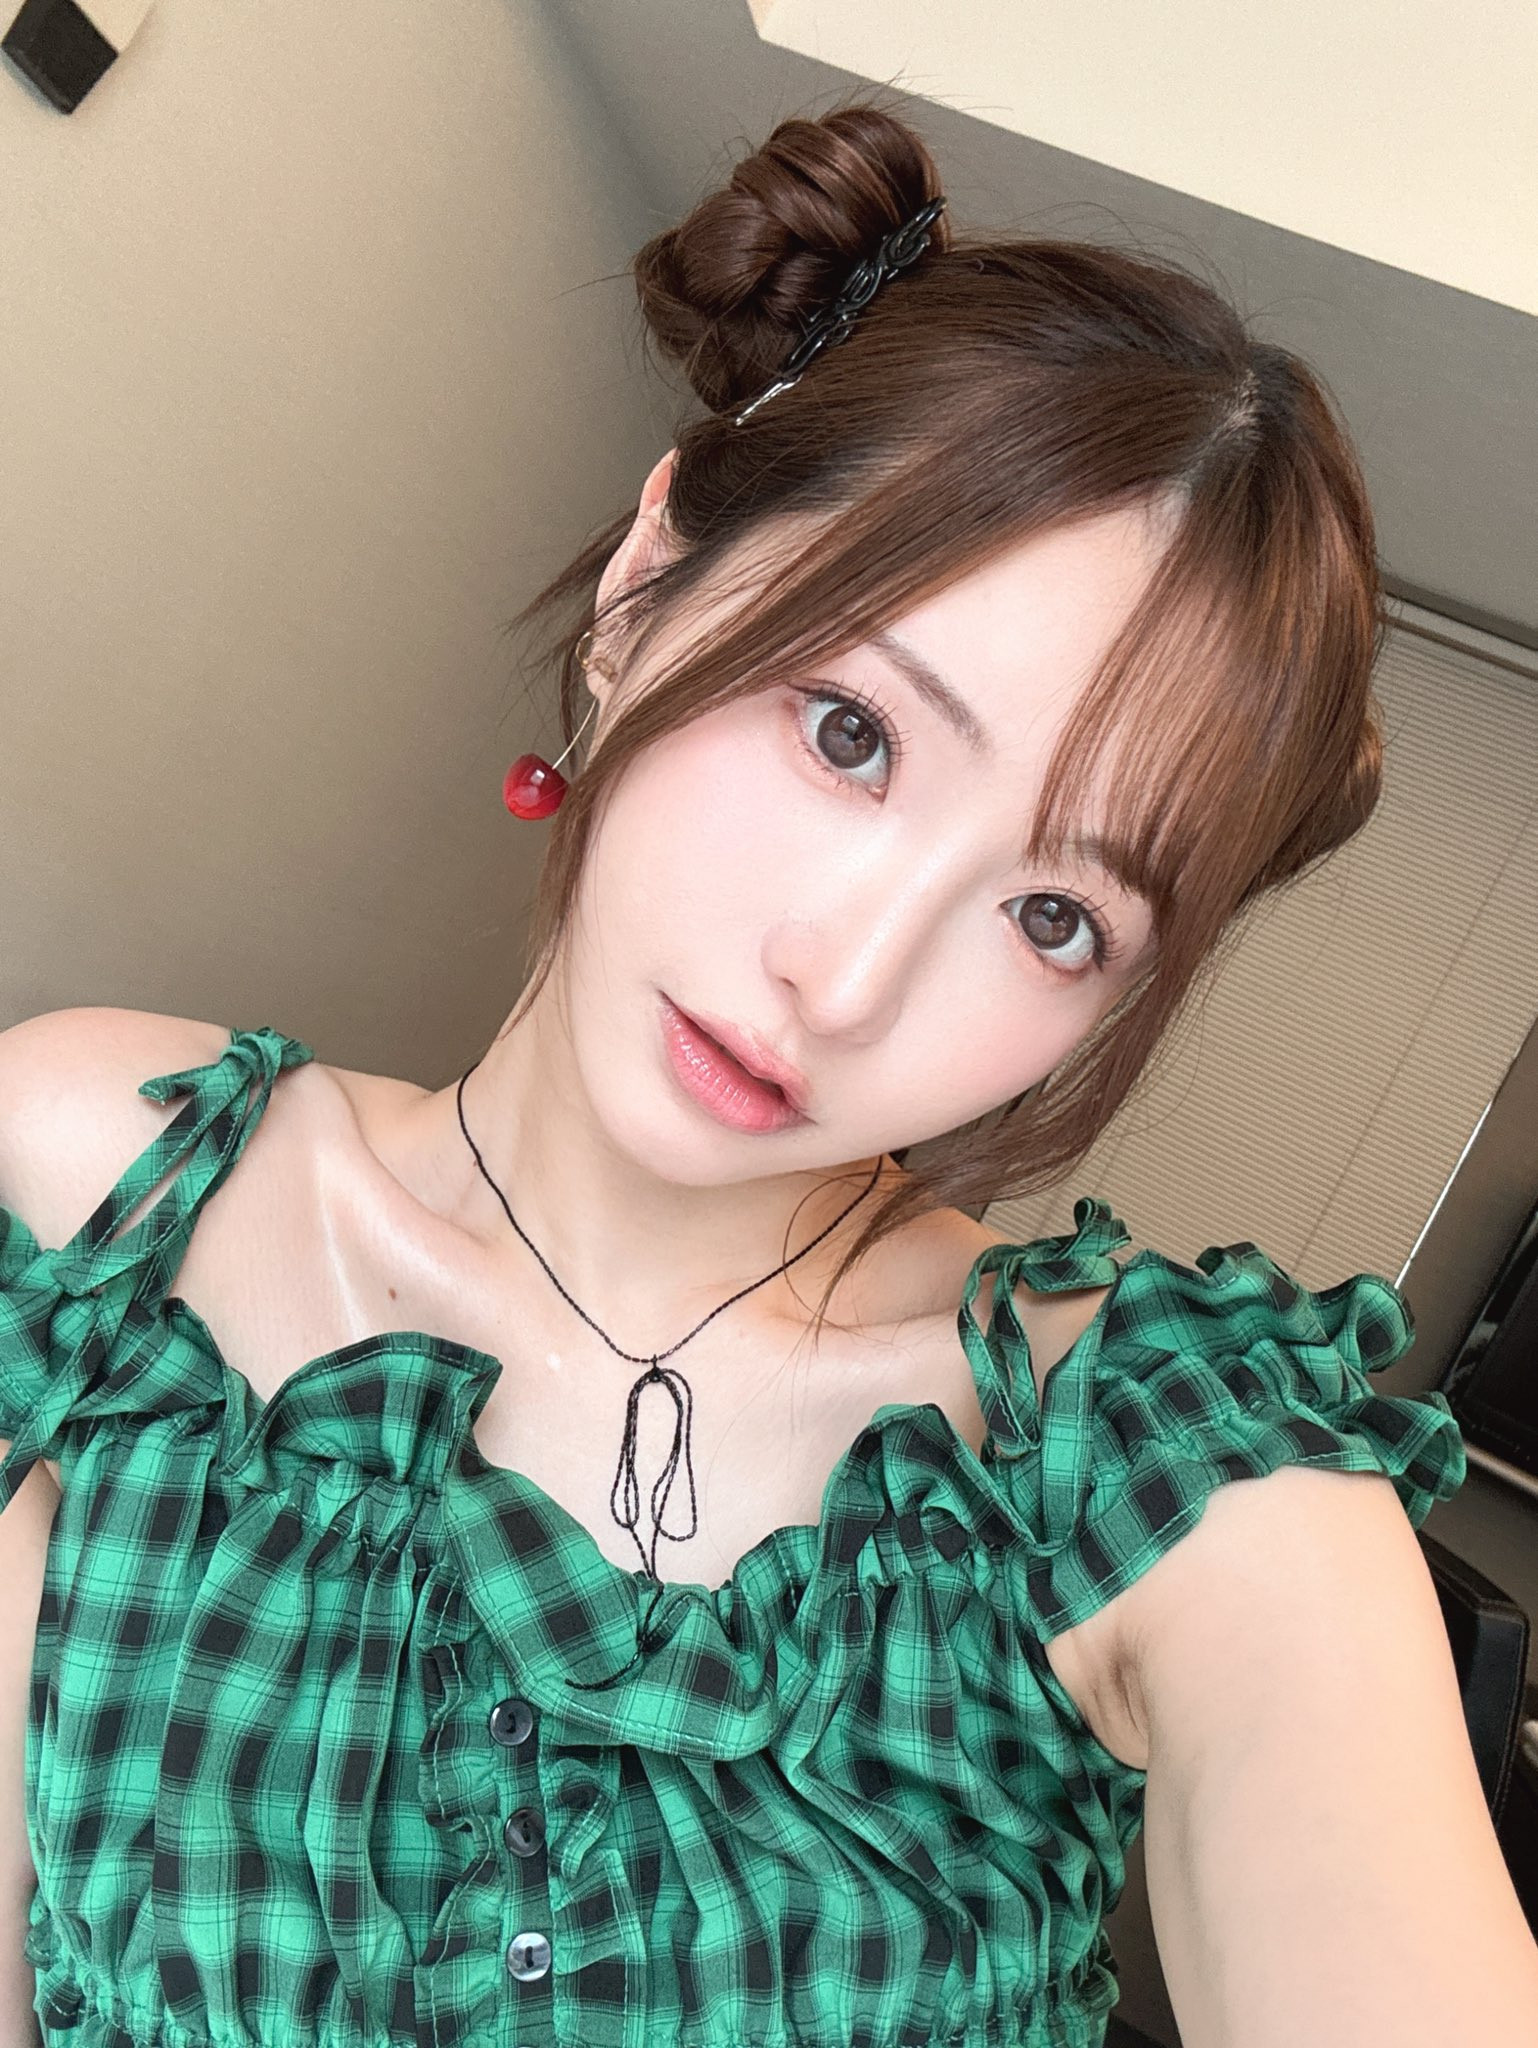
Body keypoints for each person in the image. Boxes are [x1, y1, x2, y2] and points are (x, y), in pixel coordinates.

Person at [1, 95, 1534, 2048]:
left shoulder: (1151, 1474)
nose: (847, 976)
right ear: (647, 585)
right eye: (849, 732)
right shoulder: (104, 1197)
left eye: (1051, 915)